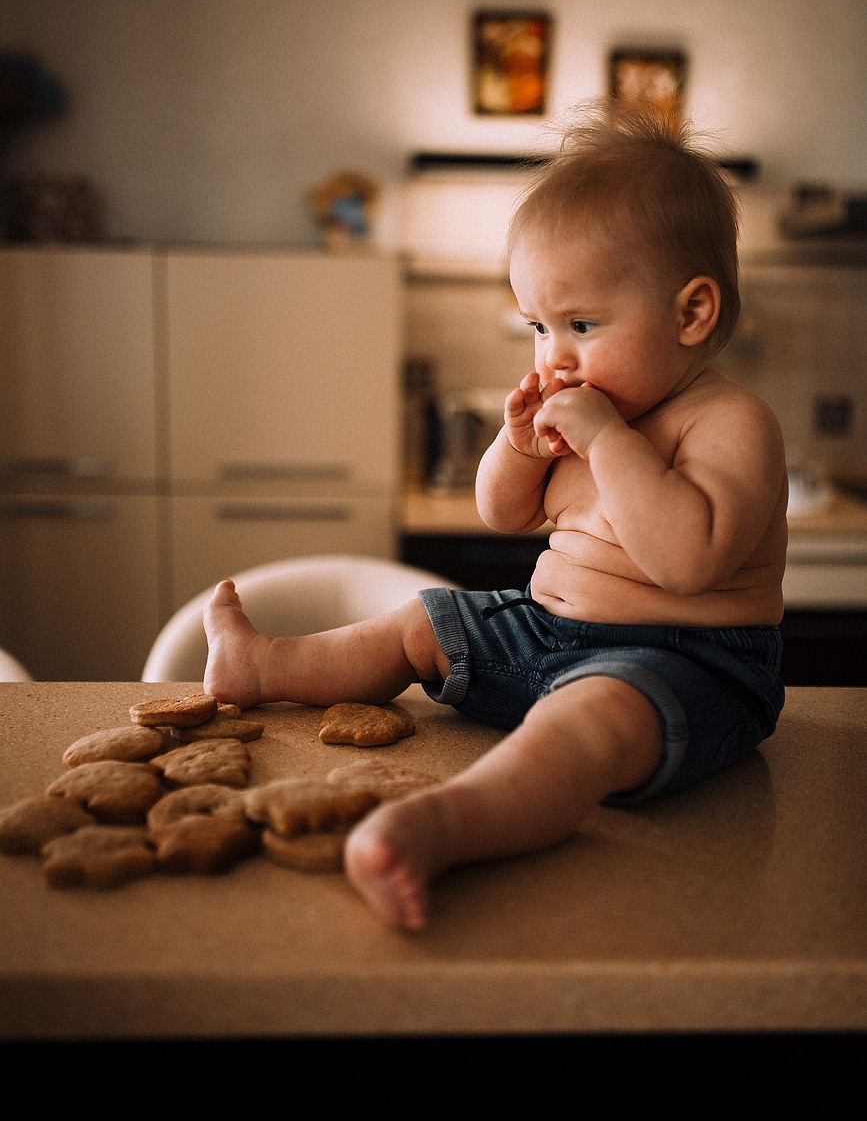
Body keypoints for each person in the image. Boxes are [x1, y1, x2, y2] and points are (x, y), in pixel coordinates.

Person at [203, 103, 788, 932]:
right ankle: (264, 666)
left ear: (692, 314)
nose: (554, 356)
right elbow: (503, 514)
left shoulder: (729, 423)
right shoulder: (595, 410)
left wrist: (606, 441)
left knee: (583, 722)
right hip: (549, 635)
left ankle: (442, 826)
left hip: (686, 668)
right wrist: (518, 447)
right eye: (538, 327)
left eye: (582, 325)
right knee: (421, 621)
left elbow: (685, 563)